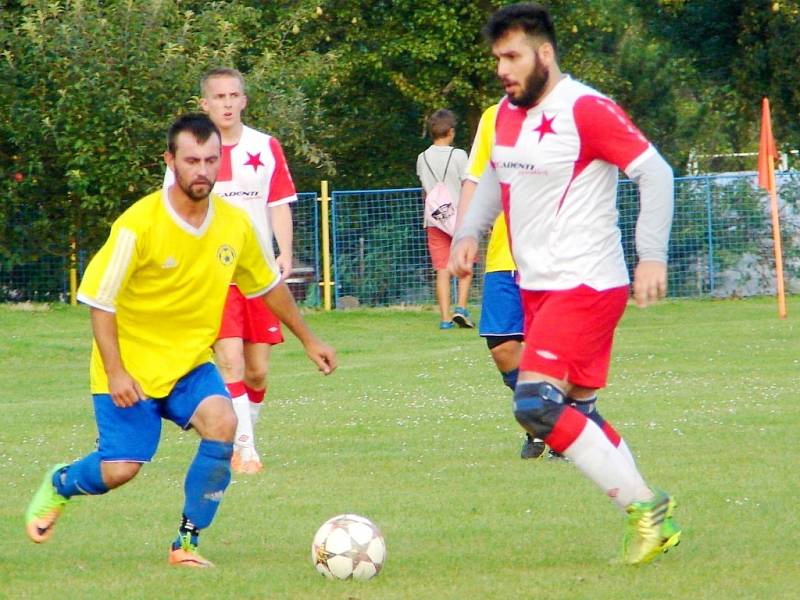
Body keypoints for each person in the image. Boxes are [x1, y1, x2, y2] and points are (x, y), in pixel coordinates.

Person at [25, 113, 336, 568]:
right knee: (120, 470)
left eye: (211, 160)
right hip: (131, 370)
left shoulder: (232, 224)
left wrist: (309, 339)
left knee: (224, 424)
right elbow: (99, 302)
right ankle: (61, 482)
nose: (202, 171)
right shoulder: (139, 225)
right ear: (170, 160)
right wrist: (115, 372)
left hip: (189, 365)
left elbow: (267, 285)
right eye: (192, 160)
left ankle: (186, 543)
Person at [450, 3, 681, 565]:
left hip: (587, 282)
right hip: (540, 286)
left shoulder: (586, 108)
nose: (503, 68)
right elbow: (496, 177)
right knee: (580, 409)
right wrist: (468, 233)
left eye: (513, 56)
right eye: (497, 58)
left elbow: (657, 172)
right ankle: (655, 515)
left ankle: (644, 509)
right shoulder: (505, 113)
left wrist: (651, 256)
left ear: (545, 53)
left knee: (534, 405)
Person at [165, 67, 297, 474]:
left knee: (257, 372)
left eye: (233, 95)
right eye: (218, 97)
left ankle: (243, 439)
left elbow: (278, 204)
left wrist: (285, 253)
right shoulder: (194, 153)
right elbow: (172, 210)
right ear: (204, 104)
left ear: (243, 100)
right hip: (213, 275)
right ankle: (246, 450)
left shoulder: (265, 146)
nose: (226, 103)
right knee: (230, 362)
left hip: (257, 274)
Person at [458, 103, 546, 460]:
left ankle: (571, 426)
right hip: (504, 254)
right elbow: (474, 179)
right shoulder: (494, 117)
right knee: (502, 346)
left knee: (554, 351)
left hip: (554, 255)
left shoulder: (568, 111)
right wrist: (464, 235)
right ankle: (542, 424)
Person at [415, 109, 473, 330]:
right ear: (450, 131)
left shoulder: (422, 158)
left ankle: (445, 318)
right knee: (464, 263)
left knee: (442, 269)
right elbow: (467, 183)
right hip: (460, 217)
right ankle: (461, 308)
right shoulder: (458, 155)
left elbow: (424, 187)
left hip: (435, 220)